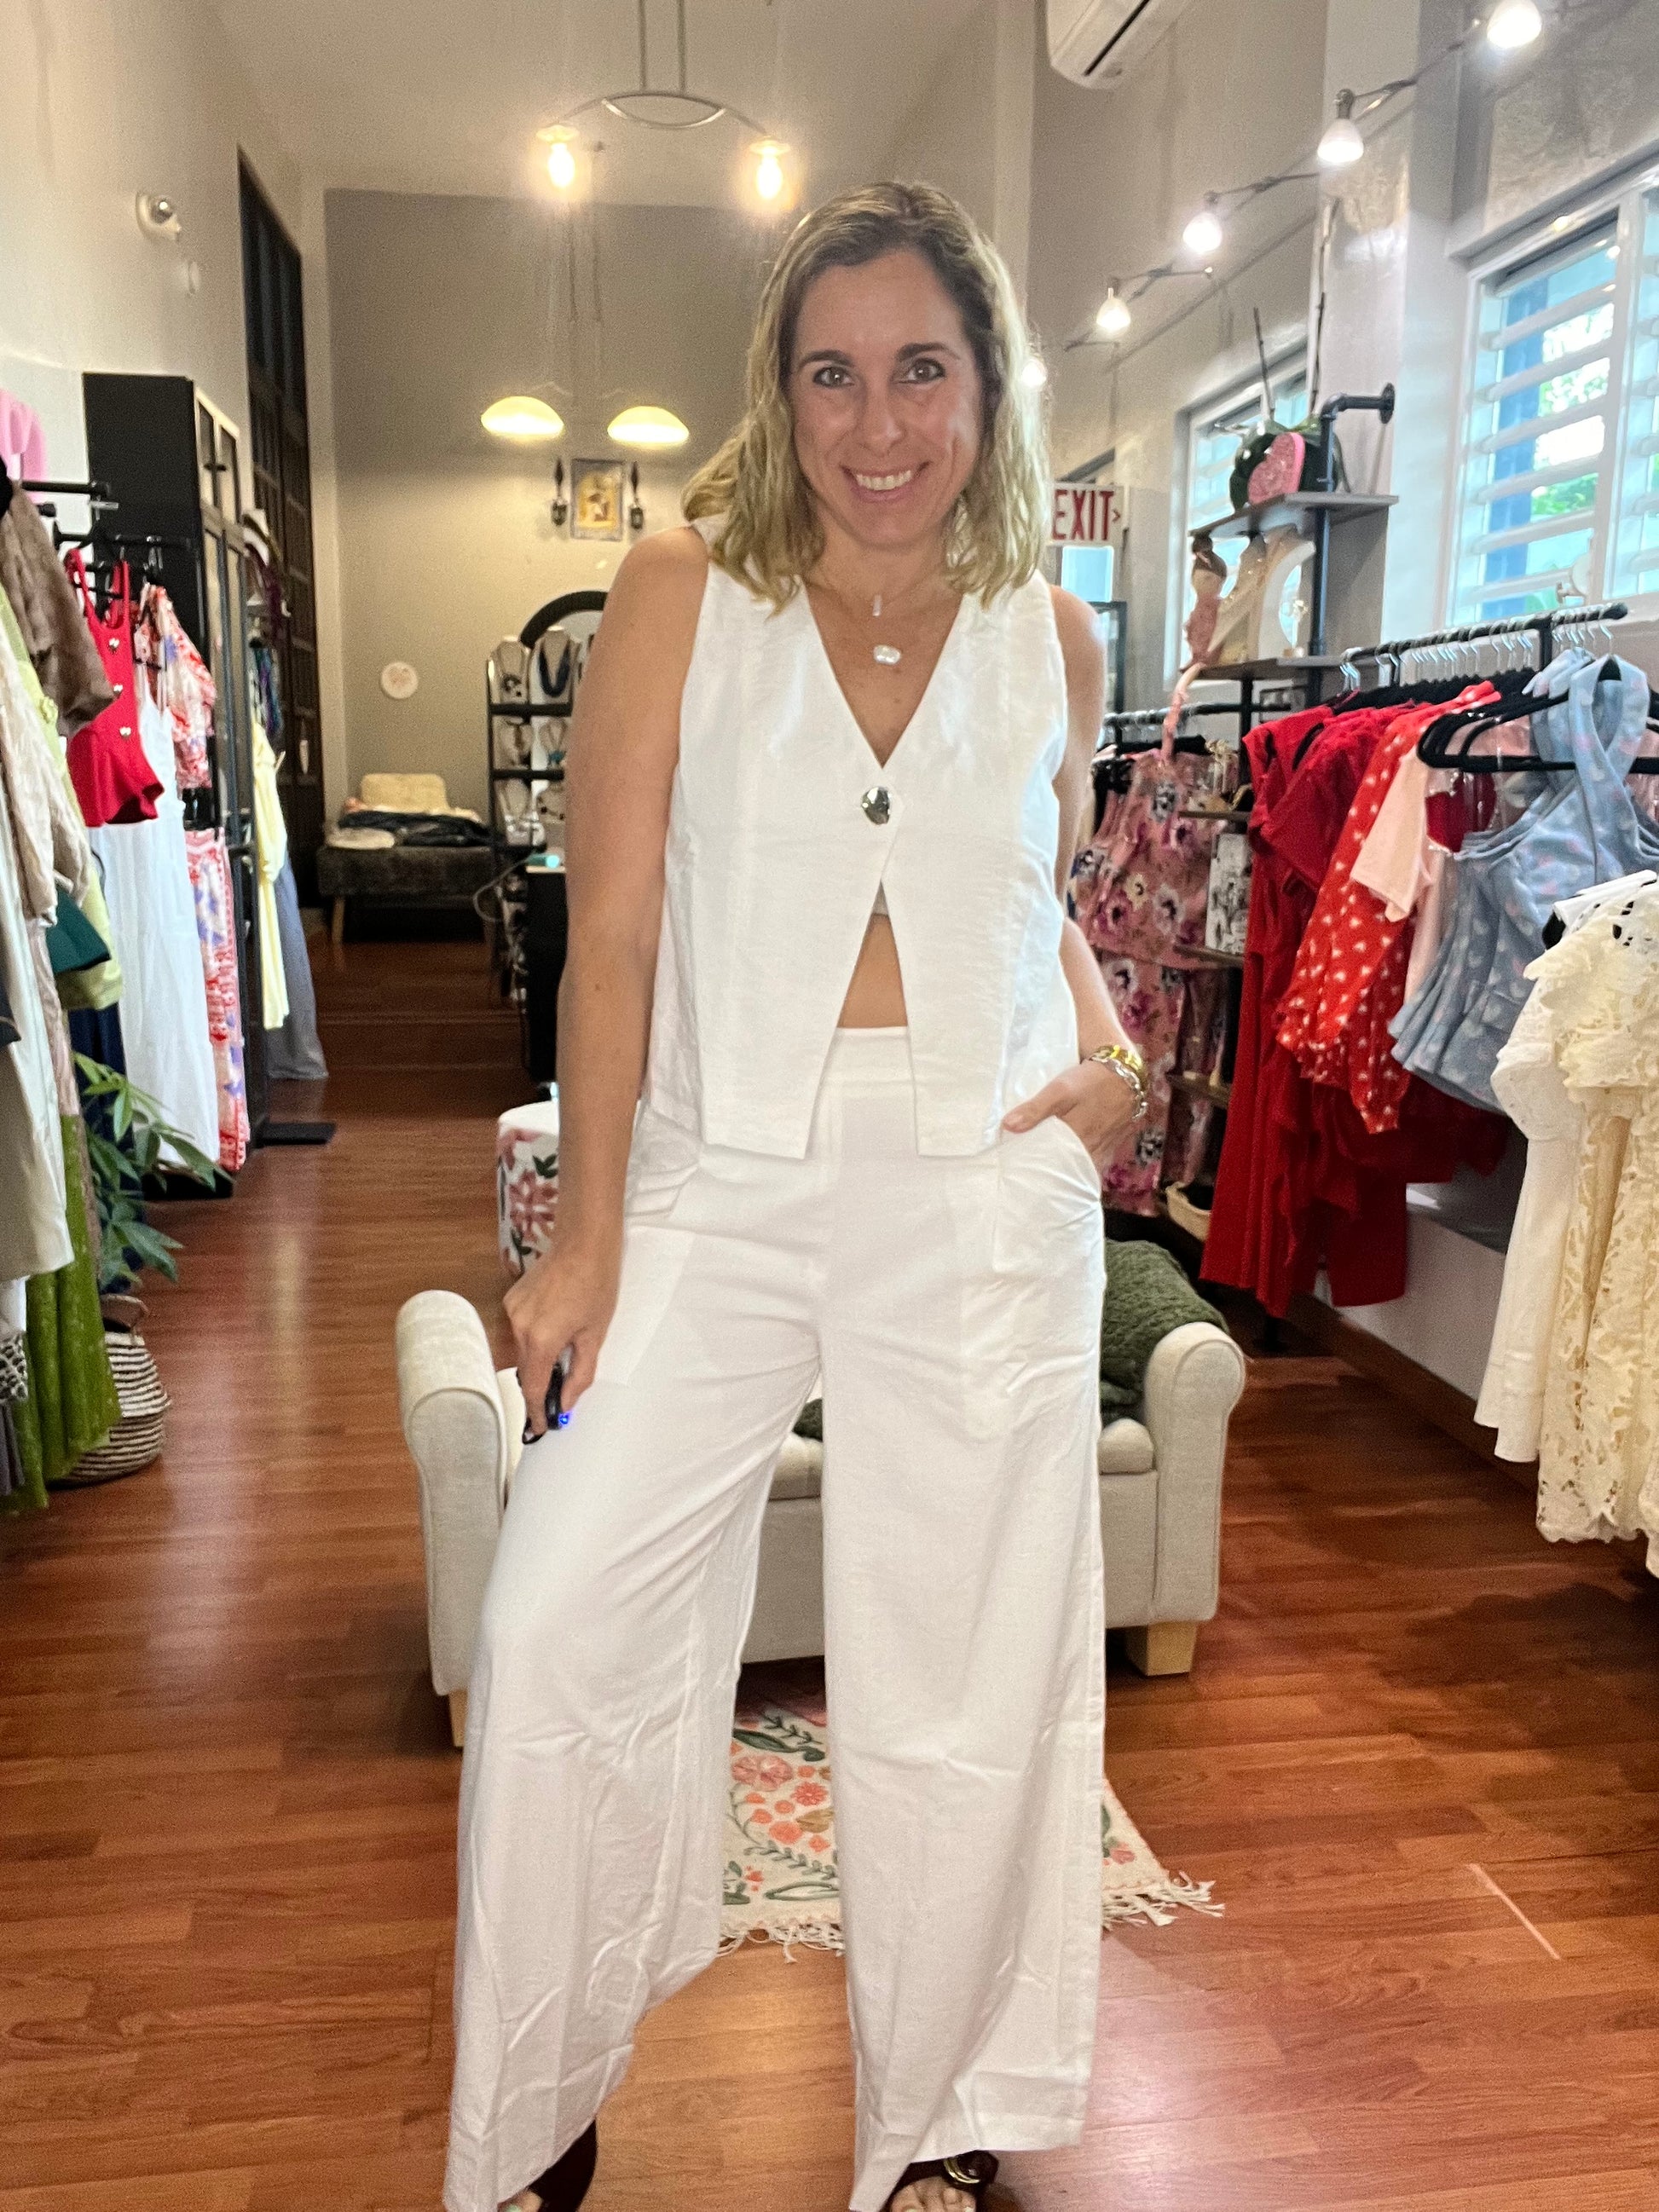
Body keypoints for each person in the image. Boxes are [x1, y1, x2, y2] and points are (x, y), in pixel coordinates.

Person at [444, 181, 1147, 2212]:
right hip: (714, 1172)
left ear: (987, 386)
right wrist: (585, 1234)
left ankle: (940, 2124)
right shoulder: (684, 587)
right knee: (556, 1614)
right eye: (829, 373)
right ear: (778, 388)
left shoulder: (1056, 632)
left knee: (968, 1667)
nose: (876, 422)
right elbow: (608, 936)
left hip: (978, 1188)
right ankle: (537, 2093)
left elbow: (1032, 900)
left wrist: (1116, 1059)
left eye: (920, 368)